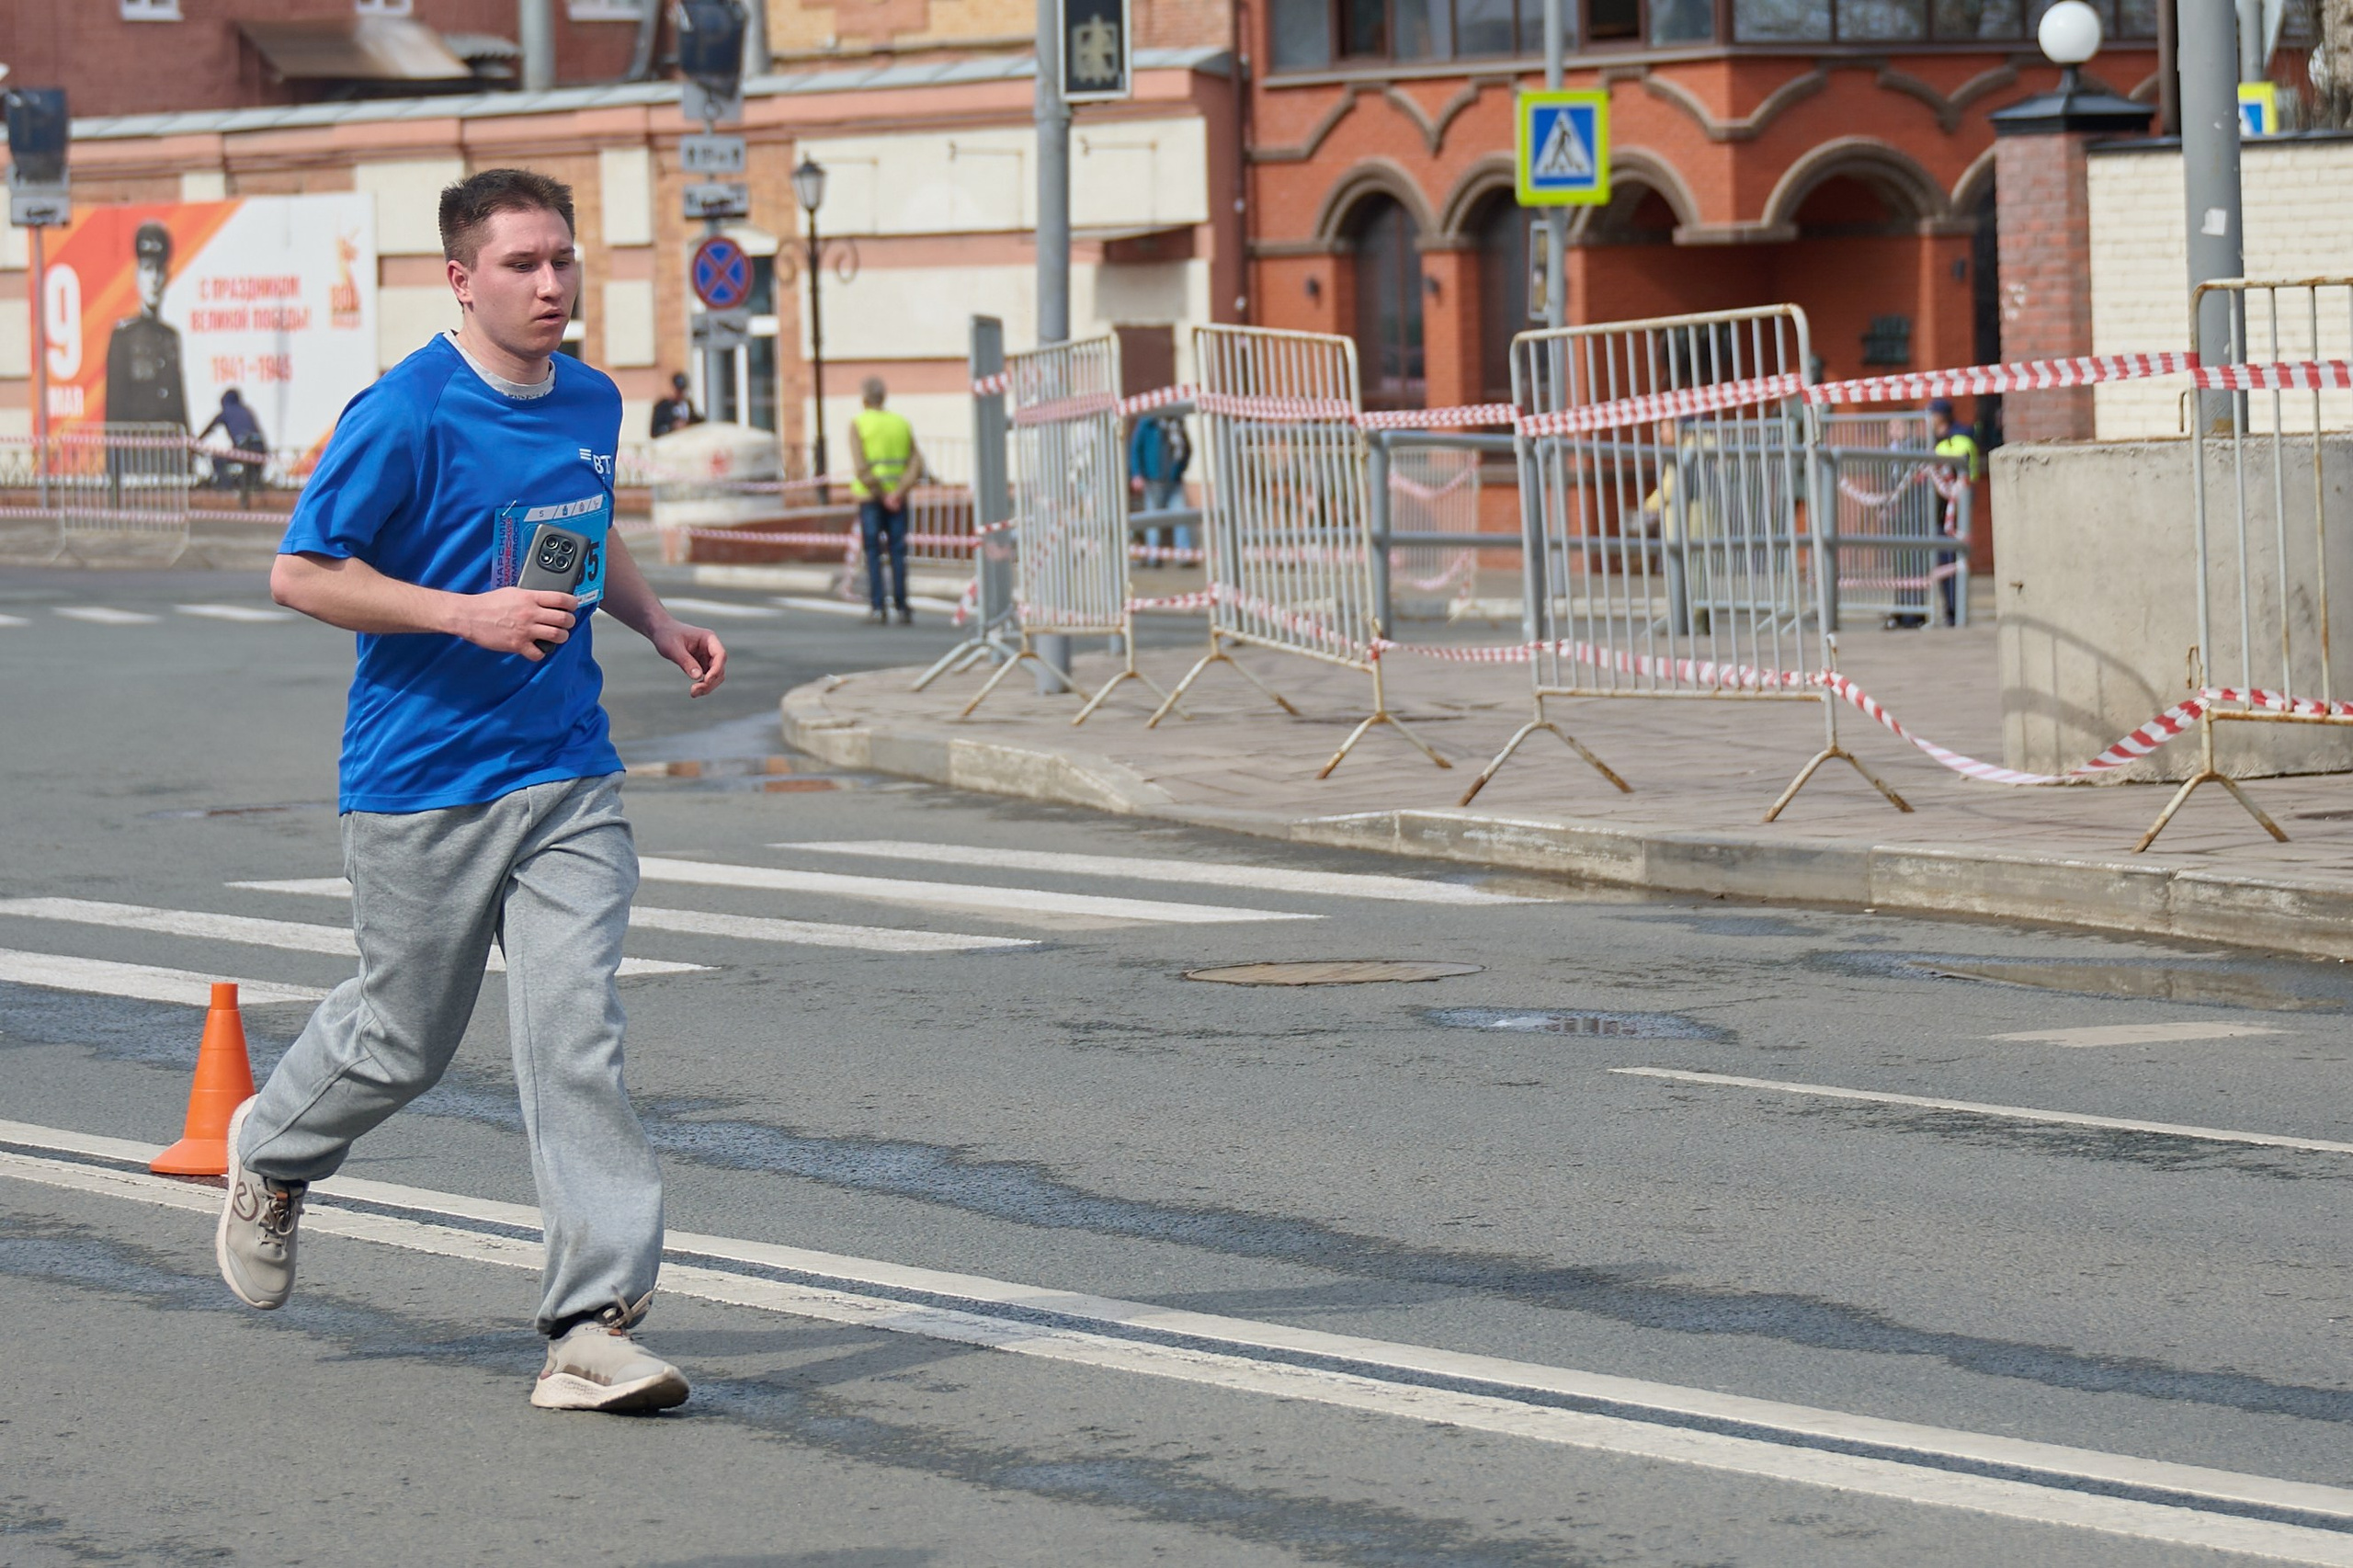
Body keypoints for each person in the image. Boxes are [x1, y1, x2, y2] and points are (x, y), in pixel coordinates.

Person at [215, 168, 729, 1415]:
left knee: (575, 1035)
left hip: (566, 774)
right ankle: (273, 1152)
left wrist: (654, 620)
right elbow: (300, 574)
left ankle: (591, 1322)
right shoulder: (405, 413)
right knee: (403, 1039)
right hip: (419, 784)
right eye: (523, 265)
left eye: (564, 261)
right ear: (463, 278)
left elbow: (580, 535)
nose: (552, 285)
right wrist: (464, 612)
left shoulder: (592, 399)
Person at [1889, 399, 1983, 629]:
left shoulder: (1957, 439)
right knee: (1942, 564)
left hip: (1952, 511)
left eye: (1930, 415)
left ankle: (1955, 615)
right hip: (1940, 511)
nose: (1927, 421)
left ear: (1940, 416)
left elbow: (1953, 470)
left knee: (1950, 563)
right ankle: (1945, 614)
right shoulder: (1938, 441)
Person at [848, 375, 925, 624]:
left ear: (864, 398)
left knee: (872, 551)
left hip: (871, 497)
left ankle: (878, 606)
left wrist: (882, 494)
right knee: (898, 551)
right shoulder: (900, 423)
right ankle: (902, 606)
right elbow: (916, 462)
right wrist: (898, 492)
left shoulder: (859, 424)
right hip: (898, 498)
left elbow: (861, 466)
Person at [105, 220, 188, 433]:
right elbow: (115, 409)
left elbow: (180, 407)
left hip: (169, 456)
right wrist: (115, 463)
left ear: (167, 277)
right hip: (137, 454)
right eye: (147, 269)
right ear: (137, 276)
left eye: (159, 271)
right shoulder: (124, 336)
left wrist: (187, 453)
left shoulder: (171, 337)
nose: (153, 279)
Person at [1127, 412, 1192, 564]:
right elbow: (1136, 448)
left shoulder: (1177, 423)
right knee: (1153, 520)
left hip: (1173, 481)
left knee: (1181, 516)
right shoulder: (1147, 423)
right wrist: (1137, 474)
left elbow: (1186, 449)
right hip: (1152, 480)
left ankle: (1184, 556)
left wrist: (1180, 470)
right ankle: (1153, 557)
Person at [197, 388, 268, 505]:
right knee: (251, 468)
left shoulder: (226, 412)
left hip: (244, 446)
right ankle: (254, 484)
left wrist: (196, 442)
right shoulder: (247, 410)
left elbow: (209, 428)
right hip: (260, 447)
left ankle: (226, 489)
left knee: (218, 460)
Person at [649, 371, 699, 438]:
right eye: (678, 391)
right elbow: (654, 432)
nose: (680, 394)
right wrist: (672, 427)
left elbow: (697, 422)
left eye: (682, 391)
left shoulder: (688, 405)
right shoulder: (662, 407)